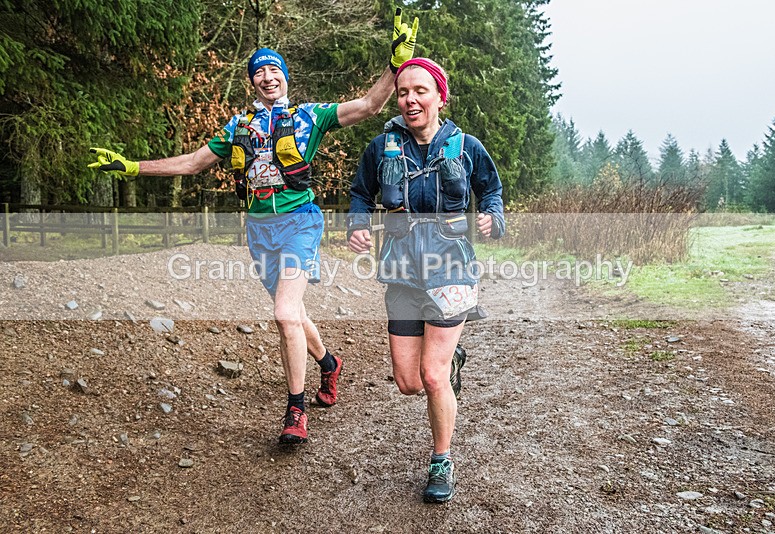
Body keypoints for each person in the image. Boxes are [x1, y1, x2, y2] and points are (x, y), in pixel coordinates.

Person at [88, 9, 419, 445]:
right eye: (258, 71)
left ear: (285, 77)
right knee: (294, 314)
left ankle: (296, 410)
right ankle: (329, 364)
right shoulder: (238, 127)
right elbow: (191, 164)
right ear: (253, 82)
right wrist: (133, 167)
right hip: (259, 232)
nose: (267, 76)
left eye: (273, 69)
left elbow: (369, 105)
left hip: (300, 223)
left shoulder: (309, 116)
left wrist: (396, 66)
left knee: (283, 314)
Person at [346, 58, 505, 503]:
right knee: (408, 381)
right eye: (403, 92)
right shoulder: (381, 148)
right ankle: (450, 366)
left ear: (440, 96)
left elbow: (490, 190)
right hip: (401, 272)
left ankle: (441, 461)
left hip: (451, 266)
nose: (410, 99)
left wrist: (493, 217)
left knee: (431, 376)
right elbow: (360, 192)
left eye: (420, 90)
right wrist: (356, 224)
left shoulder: (467, 146)